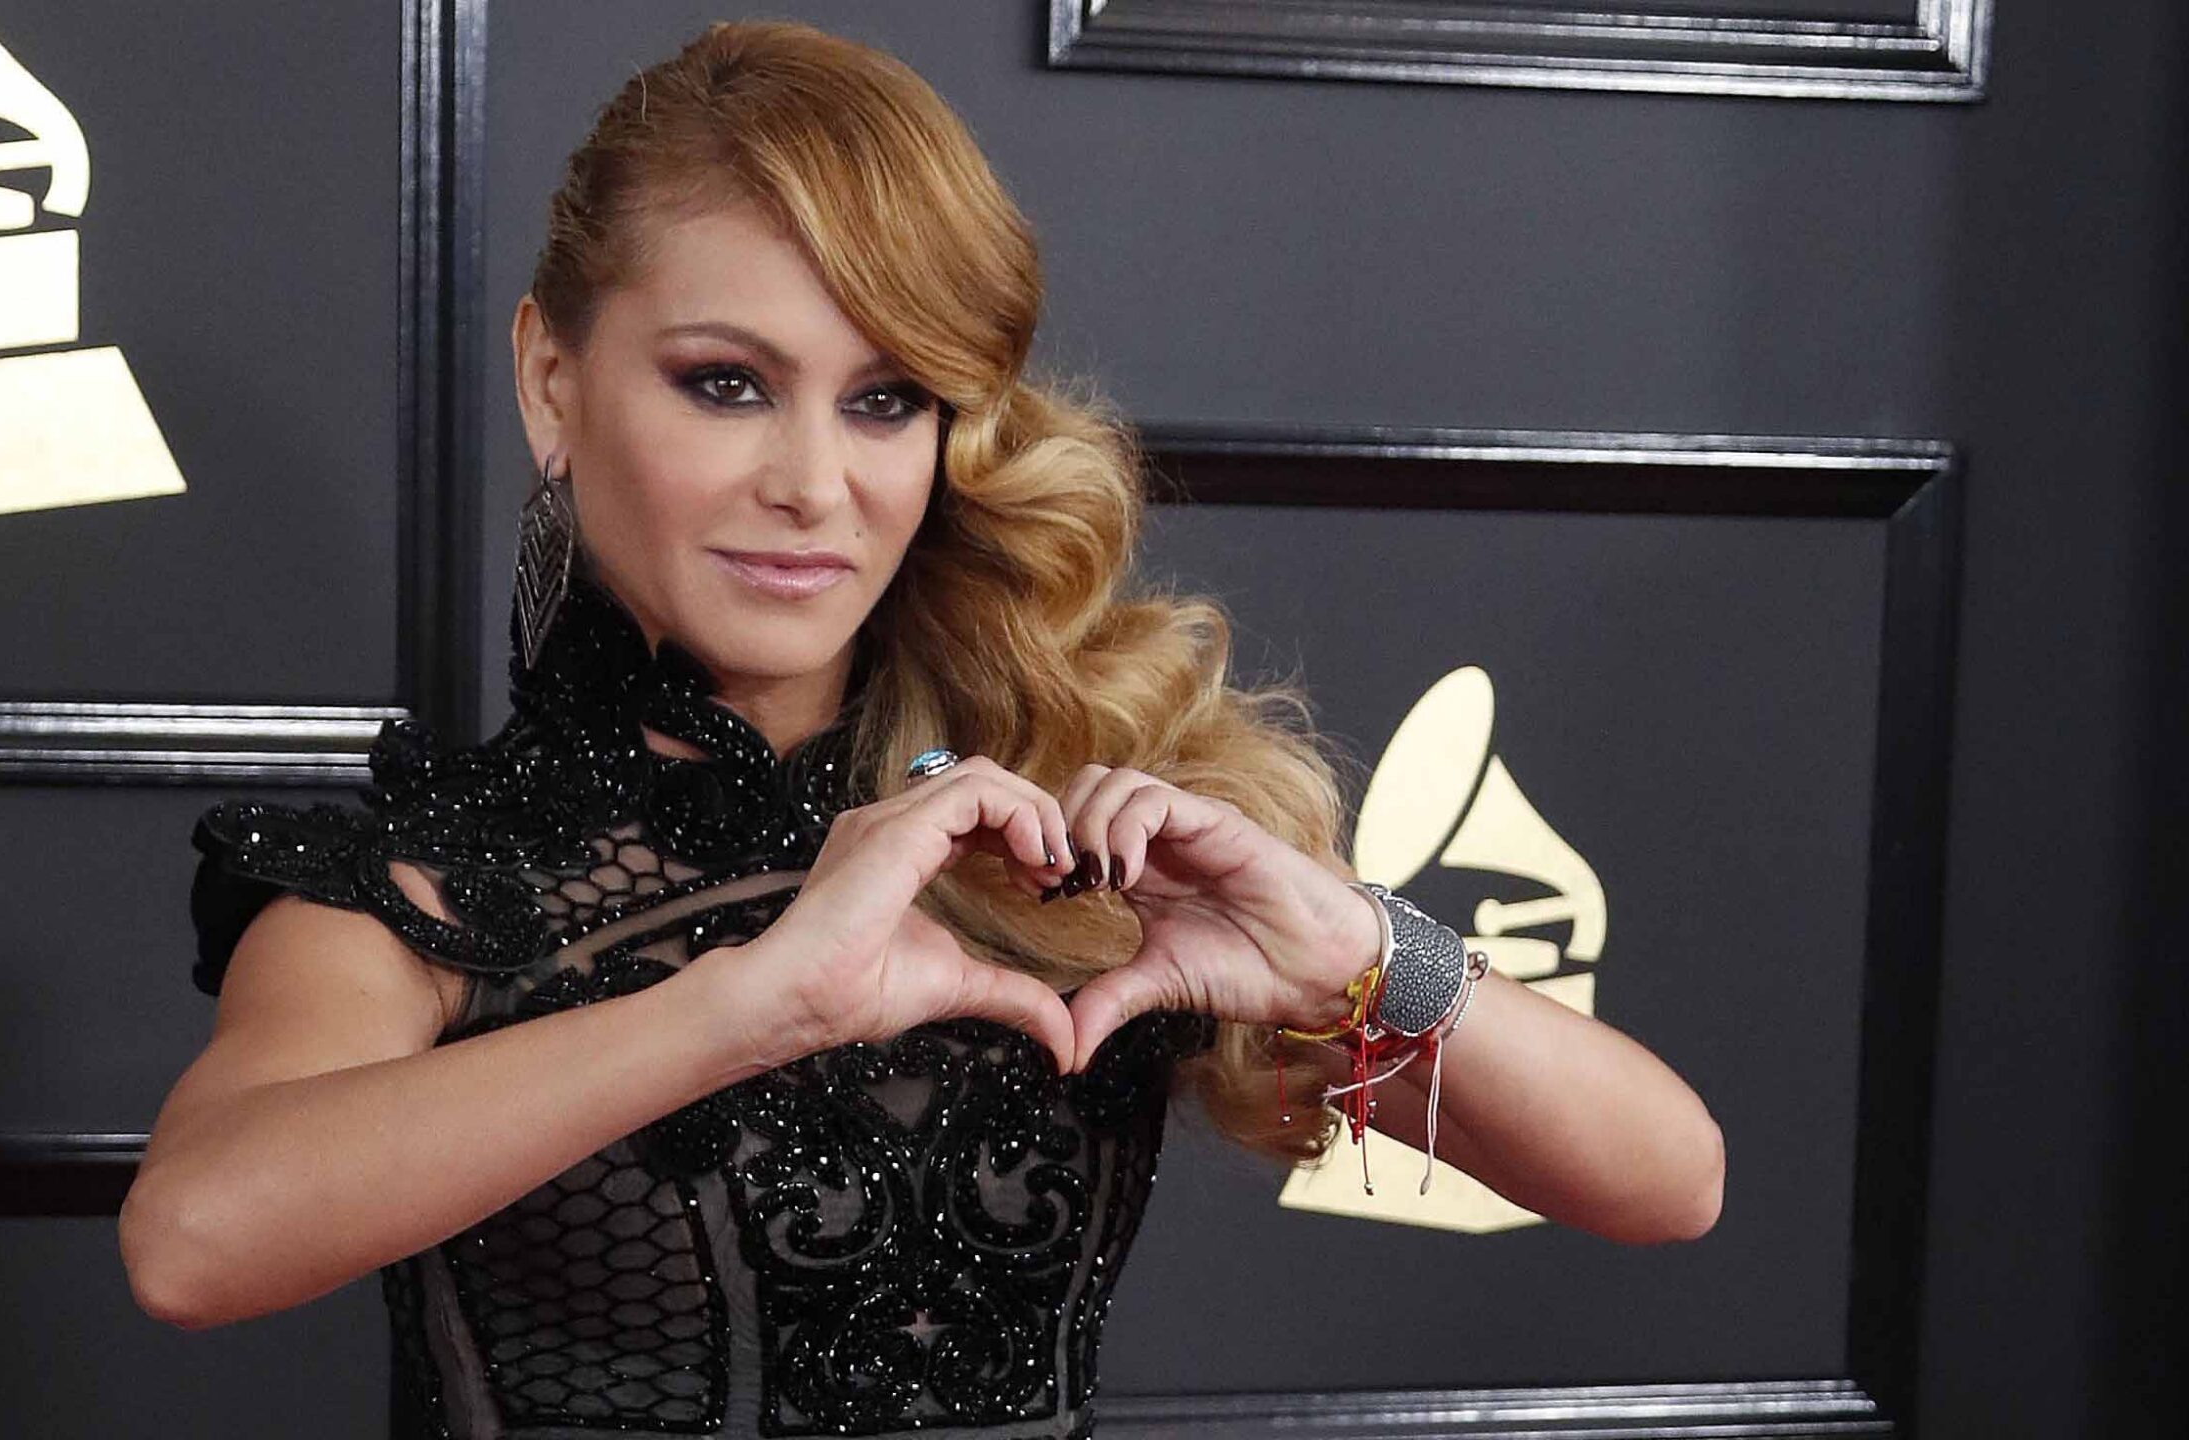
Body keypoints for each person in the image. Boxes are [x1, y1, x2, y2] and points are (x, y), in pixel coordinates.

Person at [117, 19, 1724, 1439]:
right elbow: (193, 1241)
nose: (815, 484)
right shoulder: (431, 877)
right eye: (727, 383)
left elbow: (1668, 1181)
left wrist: (1359, 945)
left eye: (886, 398)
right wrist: (750, 1008)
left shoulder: (1046, 831)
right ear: (555, 378)